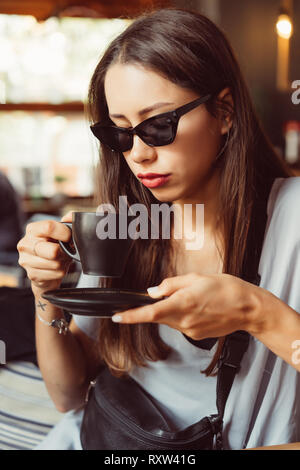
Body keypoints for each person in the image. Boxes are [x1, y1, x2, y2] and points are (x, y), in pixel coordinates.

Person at [17, 8, 300, 450]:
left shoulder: (293, 216)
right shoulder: (125, 222)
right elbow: (67, 396)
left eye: (159, 125)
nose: (138, 155)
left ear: (223, 112)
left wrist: (256, 313)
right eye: (122, 133)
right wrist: (45, 293)